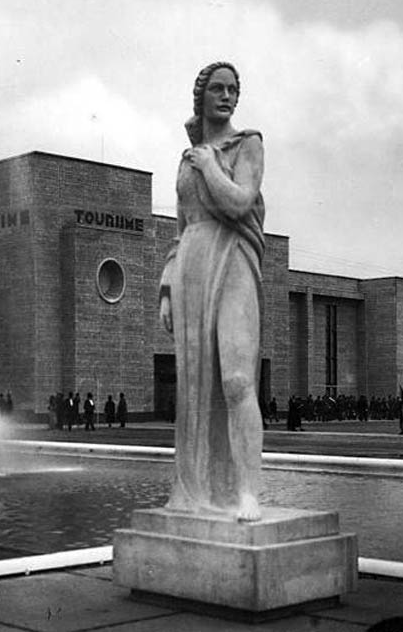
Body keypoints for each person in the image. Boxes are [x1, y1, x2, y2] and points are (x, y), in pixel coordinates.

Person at [158, 62, 265, 522]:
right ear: (201, 96)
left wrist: (209, 164)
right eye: (218, 89)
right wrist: (165, 287)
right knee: (194, 388)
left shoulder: (248, 144)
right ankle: (198, 489)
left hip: (235, 256)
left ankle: (247, 493)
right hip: (191, 267)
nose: (227, 96)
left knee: (237, 379)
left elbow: (239, 201)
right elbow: (180, 229)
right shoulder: (186, 160)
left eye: (233, 89)